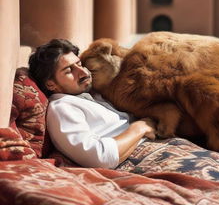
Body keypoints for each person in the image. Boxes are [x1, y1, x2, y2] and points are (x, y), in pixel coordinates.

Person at [28, 39, 156, 169]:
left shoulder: (89, 93)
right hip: (142, 156)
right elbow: (100, 157)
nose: (84, 72)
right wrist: (140, 128)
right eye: (69, 71)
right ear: (51, 84)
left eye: (79, 64)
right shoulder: (62, 108)